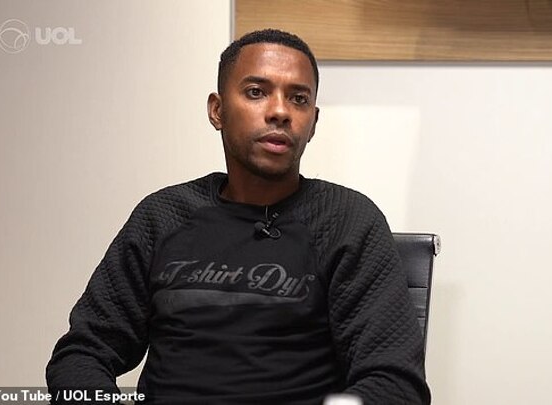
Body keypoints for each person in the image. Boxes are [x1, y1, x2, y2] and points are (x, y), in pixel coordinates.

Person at [46, 29, 430, 405]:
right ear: (218, 111)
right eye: (256, 92)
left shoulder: (348, 221)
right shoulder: (162, 216)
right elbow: (83, 354)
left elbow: (394, 383)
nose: (280, 111)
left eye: (298, 99)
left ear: (313, 122)